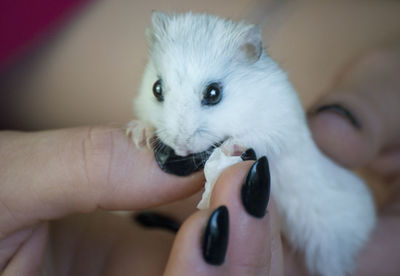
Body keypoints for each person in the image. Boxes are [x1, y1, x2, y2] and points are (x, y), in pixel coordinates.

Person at [1, 1, 399, 275]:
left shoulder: (273, 99)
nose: (178, 133)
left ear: (250, 54)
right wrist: (144, 127)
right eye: (161, 93)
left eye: (211, 95)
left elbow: (280, 137)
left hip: (341, 227)